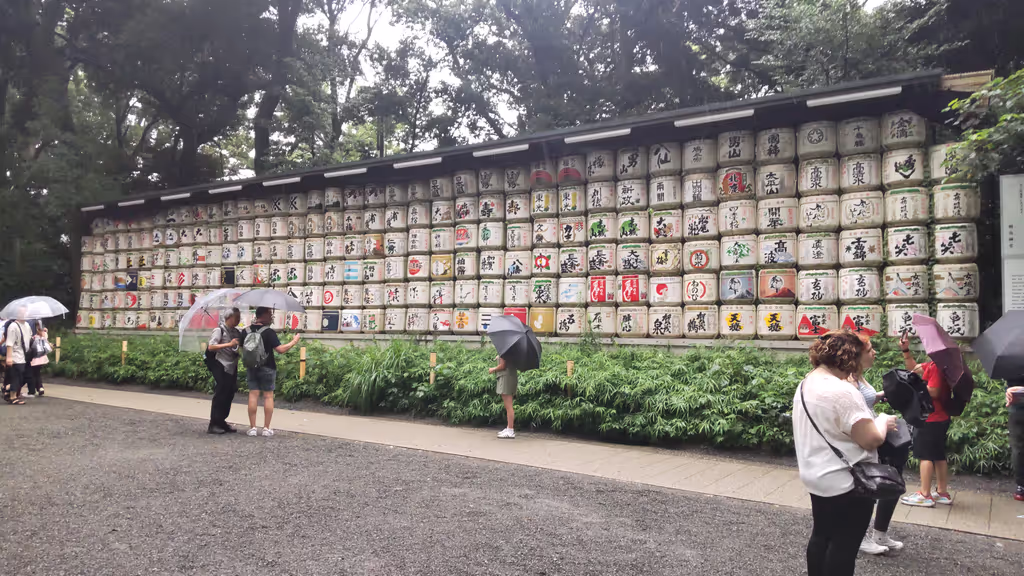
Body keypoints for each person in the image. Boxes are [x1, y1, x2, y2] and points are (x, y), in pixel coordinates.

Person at [793, 329, 897, 576]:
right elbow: (870, 439)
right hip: (847, 482)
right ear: (849, 358)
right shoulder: (843, 392)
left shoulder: (808, 382)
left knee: (821, 536)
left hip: (817, 475)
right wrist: (883, 420)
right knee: (844, 545)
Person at [849, 334, 907, 555]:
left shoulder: (860, 376)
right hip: (868, 437)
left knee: (891, 482)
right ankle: (860, 536)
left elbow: (867, 400)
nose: (874, 353)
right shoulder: (848, 380)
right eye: (870, 349)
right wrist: (880, 422)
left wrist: (886, 394)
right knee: (870, 486)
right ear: (857, 355)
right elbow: (854, 413)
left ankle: (880, 533)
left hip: (879, 433)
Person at [898, 333, 954, 507]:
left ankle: (925, 494)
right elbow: (913, 369)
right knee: (938, 455)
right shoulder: (935, 364)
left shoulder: (937, 366)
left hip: (931, 417)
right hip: (941, 416)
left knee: (925, 456)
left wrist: (916, 386)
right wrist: (906, 350)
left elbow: (934, 391)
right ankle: (942, 493)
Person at [243, 307, 299, 437]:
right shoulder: (269, 332)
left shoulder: (245, 331)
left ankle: (252, 428)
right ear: (265, 315)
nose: (272, 316)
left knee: (253, 395)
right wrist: (294, 342)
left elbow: (242, 349)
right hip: (268, 367)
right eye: (270, 314)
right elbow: (280, 349)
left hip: (251, 367)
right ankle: (266, 428)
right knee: (268, 396)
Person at [206, 308, 242, 434]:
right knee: (220, 394)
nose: (238, 320)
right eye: (236, 317)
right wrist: (228, 344)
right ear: (229, 317)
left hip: (232, 366)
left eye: (239, 317)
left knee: (229, 394)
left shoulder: (236, 332)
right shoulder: (219, 330)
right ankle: (213, 423)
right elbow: (211, 347)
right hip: (221, 364)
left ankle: (222, 421)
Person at [4, 309, 33, 405]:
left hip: (23, 355)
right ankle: (12, 397)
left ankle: (7, 388)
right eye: (22, 312)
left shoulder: (27, 325)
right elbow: (9, 343)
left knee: (23, 377)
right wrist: (9, 357)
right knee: (17, 377)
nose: (25, 314)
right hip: (15, 355)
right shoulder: (13, 326)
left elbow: (29, 338)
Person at [488, 355, 518, 439]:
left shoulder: (505, 350)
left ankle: (510, 430)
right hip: (510, 376)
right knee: (508, 405)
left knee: (508, 406)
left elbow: (502, 365)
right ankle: (509, 427)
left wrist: (492, 369)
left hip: (506, 378)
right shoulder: (511, 349)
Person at [1006, 382, 1024, 501]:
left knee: (1018, 448)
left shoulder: (1011, 365)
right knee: (1018, 449)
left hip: (1018, 410)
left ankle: (1021, 487)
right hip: (1018, 411)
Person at [28, 322, 52, 398]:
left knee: (35, 374)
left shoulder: (33, 338)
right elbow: (45, 332)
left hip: (35, 358)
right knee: (37, 373)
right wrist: (45, 330)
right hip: (42, 357)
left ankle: (38, 388)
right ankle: (39, 387)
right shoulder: (44, 335)